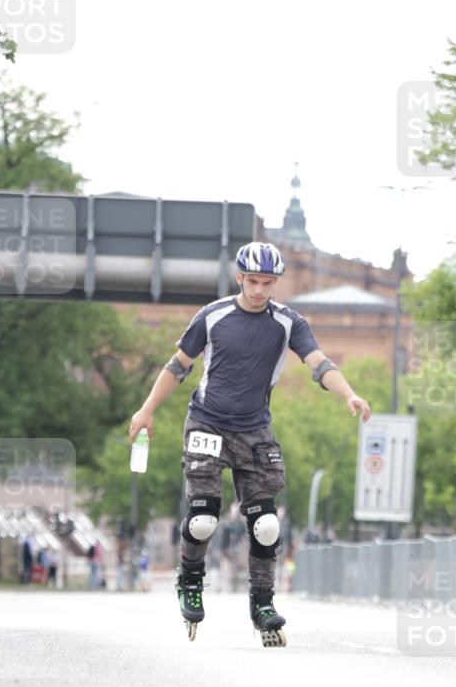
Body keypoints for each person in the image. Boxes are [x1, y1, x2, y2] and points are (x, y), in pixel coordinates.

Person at [128, 241, 371, 645]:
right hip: (206, 423)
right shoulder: (213, 316)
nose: (259, 290)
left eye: (268, 282)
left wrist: (349, 394)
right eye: (253, 281)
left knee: (266, 525)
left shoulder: (289, 322)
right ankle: (190, 579)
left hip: (255, 428)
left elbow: (319, 362)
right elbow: (178, 366)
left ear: (277, 282)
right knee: (204, 517)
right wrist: (146, 409)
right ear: (239, 278)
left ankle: (263, 603)